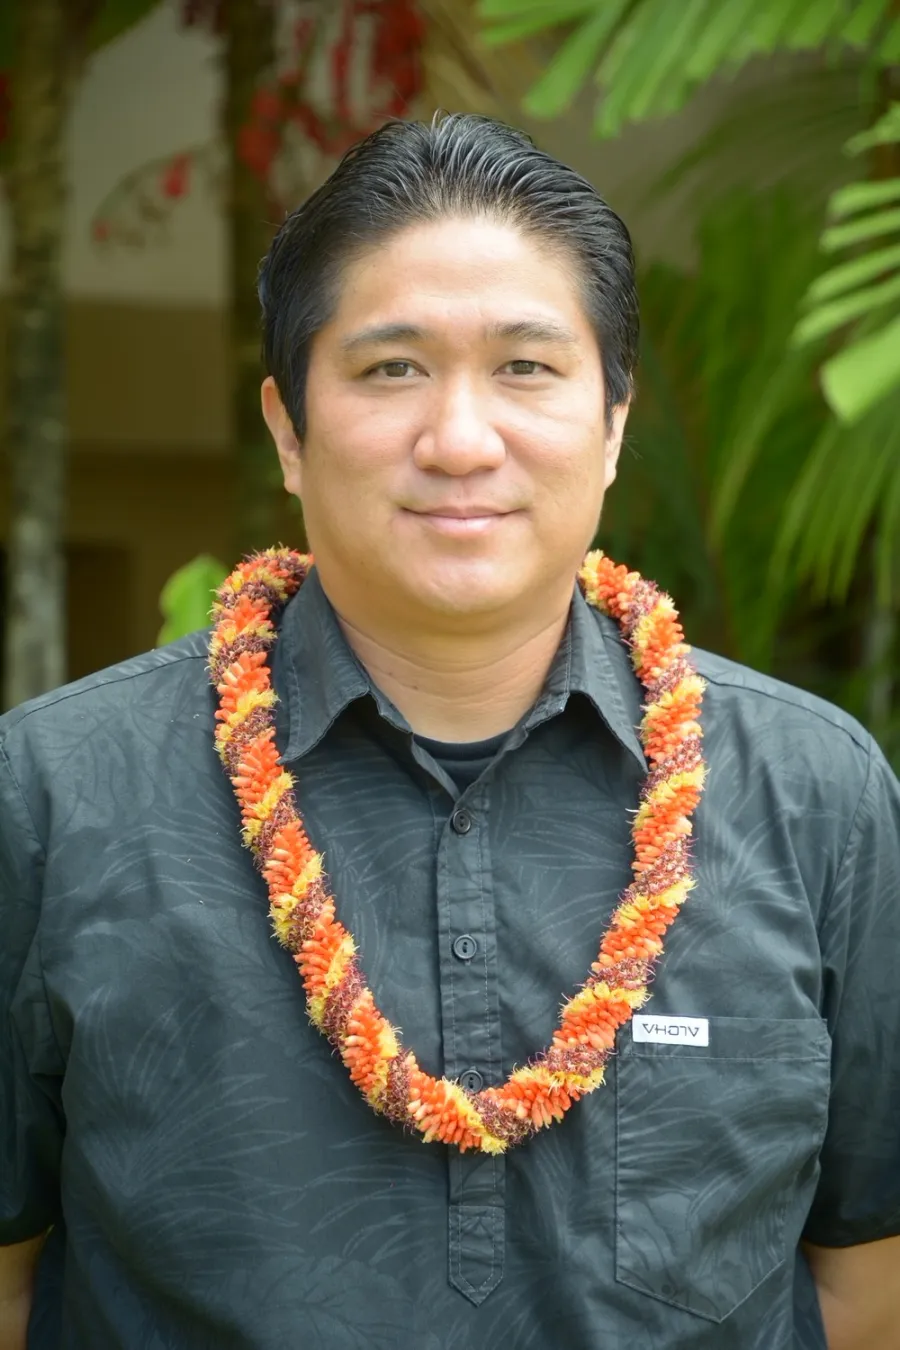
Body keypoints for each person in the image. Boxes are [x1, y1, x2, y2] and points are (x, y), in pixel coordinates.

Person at [1, 112, 898, 1350]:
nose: (461, 441)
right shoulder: (54, 794)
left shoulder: (813, 793)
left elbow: (865, 1278)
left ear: (616, 424)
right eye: (391, 369)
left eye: (527, 368)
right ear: (286, 429)